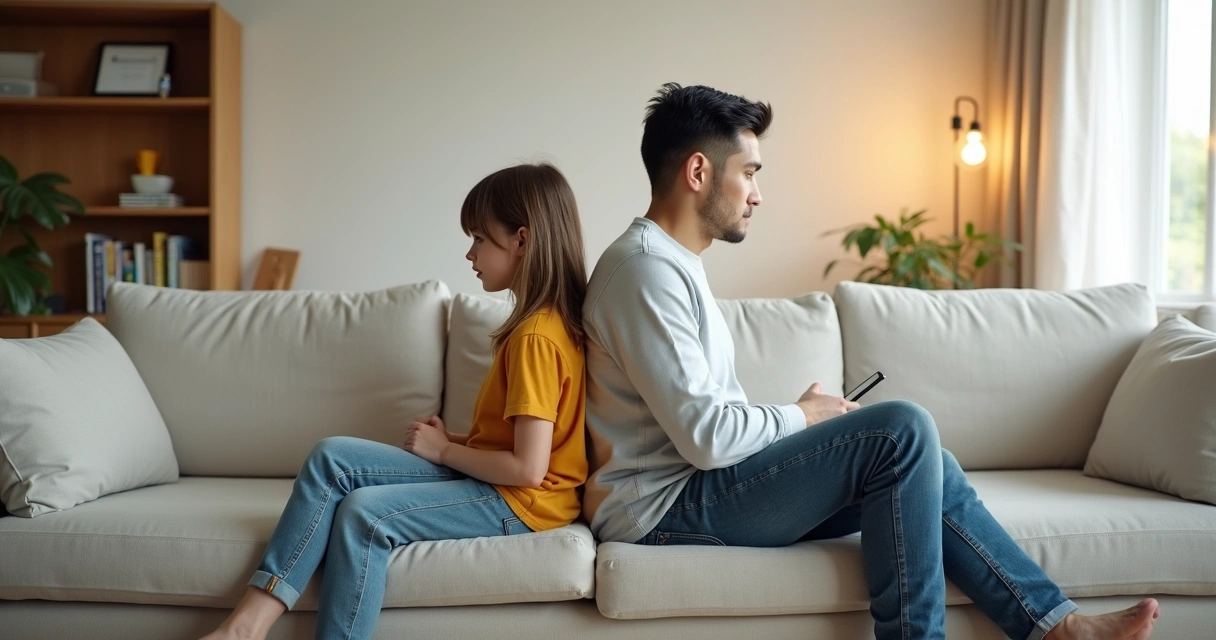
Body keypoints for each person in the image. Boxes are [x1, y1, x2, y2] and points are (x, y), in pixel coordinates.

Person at [580, 82, 1159, 640]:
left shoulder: (671, 264)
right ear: (698, 172)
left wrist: (801, 420)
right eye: (749, 173)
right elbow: (708, 438)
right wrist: (803, 416)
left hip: (696, 489)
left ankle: (1057, 626)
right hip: (661, 512)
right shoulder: (645, 271)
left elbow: (703, 425)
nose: (757, 194)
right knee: (901, 429)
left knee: (931, 464)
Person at [201, 162, 589, 640]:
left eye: (479, 238)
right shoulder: (539, 325)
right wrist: (454, 441)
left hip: (522, 502)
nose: (470, 253)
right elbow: (521, 441)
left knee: (364, 514)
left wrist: (445, 452)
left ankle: (245, 632)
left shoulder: (536, 338)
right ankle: (246, 626)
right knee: (331, 457)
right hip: (506, 485)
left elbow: (529, 469)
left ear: (522, 240)